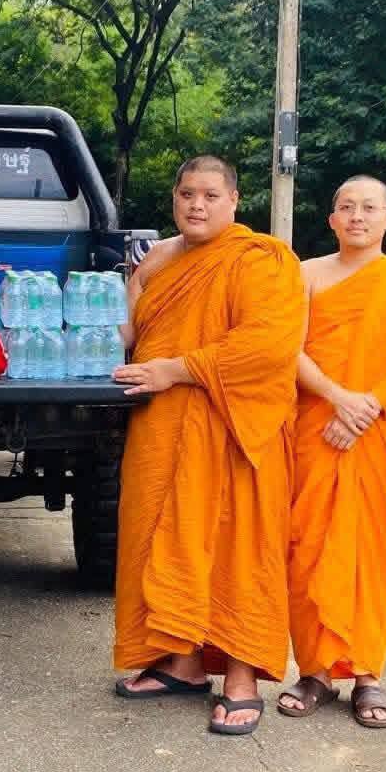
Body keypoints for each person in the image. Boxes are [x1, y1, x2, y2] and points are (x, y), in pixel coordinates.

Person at [110, 156, 305, 735]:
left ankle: (241, 679)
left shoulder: (262, 259)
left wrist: (175, 369)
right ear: (174, 198)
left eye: (210, 195)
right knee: (160, 538)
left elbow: (268, 346)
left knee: (235, 547)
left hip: (235, 426)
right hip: (161, 426)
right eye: (187, 193)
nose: (197, 205)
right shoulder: (155, 260)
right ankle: (182, 662)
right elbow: (129, 332)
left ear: (234, 201)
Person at [278, 176, 386, 727]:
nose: (357, 216)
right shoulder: (305, 274)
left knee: (374, 549)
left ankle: (368, 673)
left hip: (381, 429)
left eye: (370, 208)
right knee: (308, 545)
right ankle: (315, 671)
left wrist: (366, 408)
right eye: (346, 207)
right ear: (331, 219)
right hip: (317, 424)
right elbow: (288, 348)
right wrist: (338, 398)